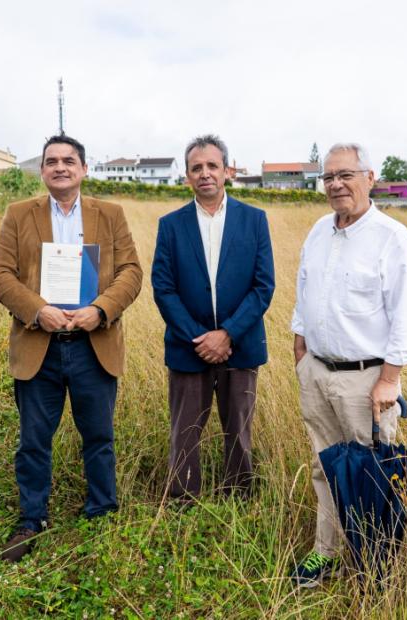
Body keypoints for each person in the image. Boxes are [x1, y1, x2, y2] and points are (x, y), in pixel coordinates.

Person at [0, 134, 142, 562]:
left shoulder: (109, 214)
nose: (60, 167)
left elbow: (130, 271)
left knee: (98, 436)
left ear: (83, 169)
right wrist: (37, 310)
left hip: (94, 343)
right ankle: (31, 520)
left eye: (69, 160)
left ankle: (101, 511)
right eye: (51, 161)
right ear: (42, 171)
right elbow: (0, 274)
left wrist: (101, 309)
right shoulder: (19, 215)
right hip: (41, 345)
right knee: (34, 440)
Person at [288, 143, 407, 587]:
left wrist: (390, 379)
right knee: (324, 468)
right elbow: (304, 291)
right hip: (317, 373)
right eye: (328, 177)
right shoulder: (318, 231)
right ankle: (324, 555)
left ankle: (374, 566)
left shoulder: (391, 236)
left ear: (370, 177)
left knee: (371, 475)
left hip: (366, 381)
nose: (335, 185)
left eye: (345, 175)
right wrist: (301, 352)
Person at [151, 134, 275, 503]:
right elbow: (164, 288)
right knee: (185, 430)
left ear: (227, 171)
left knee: (238, 428)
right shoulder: (170, 225)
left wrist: (228, 335)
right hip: (189, 348)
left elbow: (263, 286)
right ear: (187, 176)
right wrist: (200, 338)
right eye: (196, 168)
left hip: (242, 346)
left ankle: (238, 496)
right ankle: (183, 500)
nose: (205, 173)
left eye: (212, 166)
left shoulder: (254, 220)